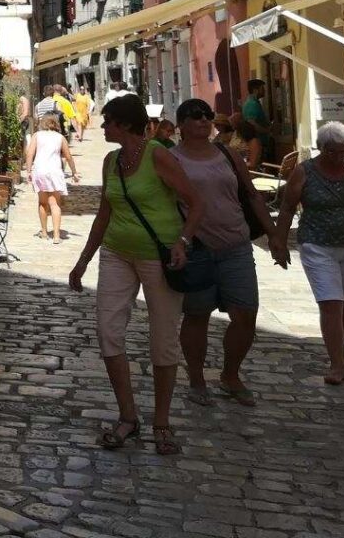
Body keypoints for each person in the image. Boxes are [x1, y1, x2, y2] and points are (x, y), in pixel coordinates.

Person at [68, 93, 204, 455]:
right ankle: (128, 416)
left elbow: (195, 202)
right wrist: (83, 260)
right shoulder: (111, 161)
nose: (102, 126)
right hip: (116, 253)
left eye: (108, 121)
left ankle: (162, 421)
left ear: (125, 124)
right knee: (107, 330)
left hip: (158, 257)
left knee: (163, 338)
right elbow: (104, 213)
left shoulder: (159, 155)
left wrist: (183, 241)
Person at [171, 99, 287, 407]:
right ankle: (196, 379)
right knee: (197, 316)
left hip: (236, 245)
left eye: (207, 116)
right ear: (181, 123)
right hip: (198, 249)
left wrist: (274, 235)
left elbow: (251, 194)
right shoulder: (170, 159)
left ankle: (230, 375)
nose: (203, 121)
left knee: (246, 314)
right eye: (195, 116)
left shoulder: (227, 154)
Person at [275, 121, 344, 385]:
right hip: (317, 246)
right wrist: (279, 241)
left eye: (343, 151)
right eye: (333, 151)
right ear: (321, 148)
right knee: (331, 303)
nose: (339, 157)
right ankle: (336, 364)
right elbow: (288, 207)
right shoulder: (305, 172)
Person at [24, 114, 79, 244]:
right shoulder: (60, 138)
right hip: (54, 171)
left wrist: (28, 171)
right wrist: (74, 172)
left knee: (42, 203)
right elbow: (68, 156)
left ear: (42, 123)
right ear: (56, 124)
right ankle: (56, 235)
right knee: (55, 203)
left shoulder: (37, 136)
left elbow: (29, 154)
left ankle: (43, 232)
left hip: (40, 171)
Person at [242, 79, 273, 158]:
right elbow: (252, 123)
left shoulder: (254, 102)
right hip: (258, 143)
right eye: (262, 88)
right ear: (255, 90)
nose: (264, 91)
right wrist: (267, 131)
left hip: (260, 142)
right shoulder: (252, 104)